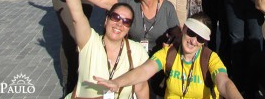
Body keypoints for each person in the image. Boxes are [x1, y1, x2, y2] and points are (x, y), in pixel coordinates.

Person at [45, 0, 149, 99]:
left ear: (129, 28)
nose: (119, 23)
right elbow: (77, 16)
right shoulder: (90, 42)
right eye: (115, 17)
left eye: (126, 21)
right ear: (106, 20)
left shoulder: (137, 51)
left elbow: (142, 89)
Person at [94, 12, 243, 99]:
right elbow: (145, 71)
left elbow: (224, 83)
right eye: (191, 33)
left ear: (204, 42)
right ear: (183, 29)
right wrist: (117, 83)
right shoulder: (169, 54)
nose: (193, 41)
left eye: (200, 38)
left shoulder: (210, 59)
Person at [75, 0, 180, 55]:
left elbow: (178, 35)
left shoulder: (167, 8)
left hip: (158, 61)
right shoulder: (130, 2)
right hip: (133, 59)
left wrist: (171, 45)